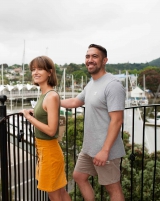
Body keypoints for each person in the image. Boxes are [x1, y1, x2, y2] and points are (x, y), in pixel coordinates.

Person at [61, 44, 126, 201]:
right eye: (87, 56)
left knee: (113, 188)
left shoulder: (113, 85)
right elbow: (76, 101)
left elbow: (117, 121)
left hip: (105, 149)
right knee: (79, 176)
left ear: (105, 60)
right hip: (89, 148)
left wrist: (104, 151)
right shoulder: (91, 83)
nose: (90, 60)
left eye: (94, 56)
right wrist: (52, 100)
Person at [21, 56, 71, 201]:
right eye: (33, 69)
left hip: (50, 152)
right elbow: (45, 114)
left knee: (54, 195)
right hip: (45, 152)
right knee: (60, 193)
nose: (35, 72)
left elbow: (51, 130)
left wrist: (29, 118)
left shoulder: (51, 96)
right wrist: (34, 113)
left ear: (49, 72)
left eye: (40, 69)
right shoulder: (44, 95)